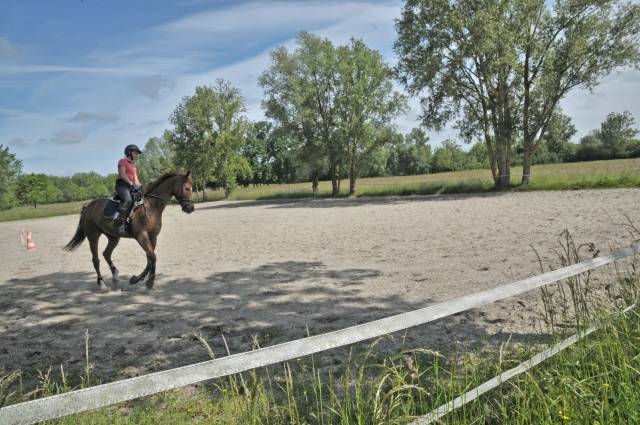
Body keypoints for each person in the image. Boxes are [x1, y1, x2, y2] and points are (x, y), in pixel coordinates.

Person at [114, 144, 143, 235]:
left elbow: (136, 180)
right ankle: (120, 224)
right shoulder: (122, 161)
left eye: (137, 153)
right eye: (135, 153)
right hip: (122, 186)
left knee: (141, 199)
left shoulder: (133, 166)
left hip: (130, 186)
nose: (137, 155)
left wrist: (140, 187)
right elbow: (122, 174)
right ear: (129, 153)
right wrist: (131, 183)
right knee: (128, 200)